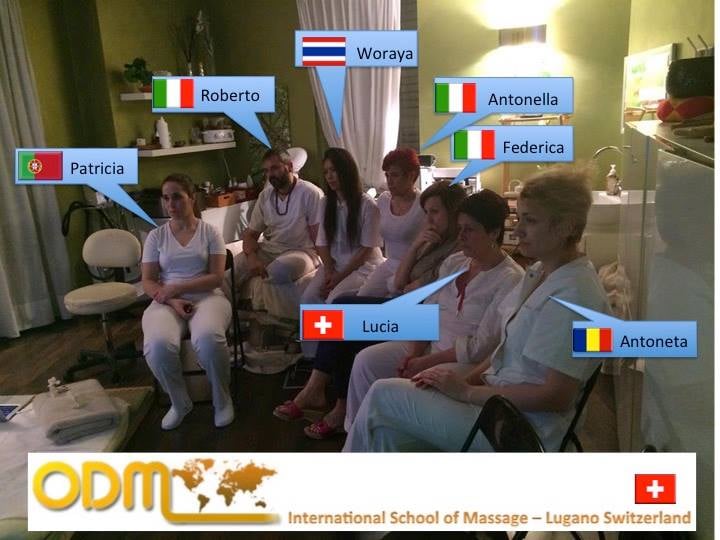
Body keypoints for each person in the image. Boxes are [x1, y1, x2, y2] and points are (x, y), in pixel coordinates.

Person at [344, 165, 609, 452]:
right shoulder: (538, 274)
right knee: (385, 432)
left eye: (530, 220)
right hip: (494, 400)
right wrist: (461, 381)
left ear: (567, 226)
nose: (518, 230)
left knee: (382, 394)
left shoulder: (575, 295)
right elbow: (504, 349)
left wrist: (467, 391)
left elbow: (557, 396)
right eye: (519, 218)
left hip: (517, 428)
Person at [344, 189, 524, 431]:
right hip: (428, 345)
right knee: (365, 361)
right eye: (459, 228)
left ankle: (385, 432)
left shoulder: (511, 279)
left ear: (493, 232)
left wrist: (425, 361)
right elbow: (428, 310)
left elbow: (480, 346)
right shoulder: (455, 262)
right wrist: (413, 354)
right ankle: (356, 430)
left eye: (469, 230)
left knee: (392, 390)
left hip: (463, 363)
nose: (461, 237)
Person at [141, 174, 234, 430]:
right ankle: (179, 402)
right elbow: (148, 281)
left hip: (208, 297)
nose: (170, 204)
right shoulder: (156, 236)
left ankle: (222, 399)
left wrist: (177, 288)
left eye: (177, 197)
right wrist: (172, 299)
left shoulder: (210, 232)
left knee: (208, 338)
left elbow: (216, 277)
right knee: (157, 344)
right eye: (166, 198)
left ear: (192, 198)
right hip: (167, 300)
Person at [299, 148, 383, 359]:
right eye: (326, 172)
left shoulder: (368, 206)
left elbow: (366, 250)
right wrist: (329, 272)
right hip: (334, 265)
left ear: (346, 171)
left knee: (333, 303)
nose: (330, 176)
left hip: (362, 267)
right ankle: (313, 357)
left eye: (334, 170)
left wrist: (338, 278)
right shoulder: (325, 203)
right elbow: (322, 242)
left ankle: (333, 360)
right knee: (308, 297)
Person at [234, 148, 324, 320]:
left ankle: (285, 324)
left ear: (289, 166)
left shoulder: (310, 193)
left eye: (274, 168)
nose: (270, 175)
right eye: (266, 171)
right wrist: (252, 257)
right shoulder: (265, 196)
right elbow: (251, 234)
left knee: (275, 272)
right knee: (233, 269)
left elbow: (320, 237)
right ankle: (229, 319)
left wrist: (326, 265)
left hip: (303, 251)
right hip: (270, 249)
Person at [356, 148, 426, 297]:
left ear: (411, 176)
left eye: (395, 175)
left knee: (392, 296)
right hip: (389, 263)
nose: (389, 181)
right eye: (387, 175)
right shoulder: (383, 200)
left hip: (413, 267)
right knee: (363, 296)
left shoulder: (423, 204)